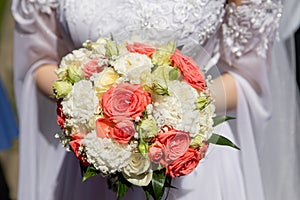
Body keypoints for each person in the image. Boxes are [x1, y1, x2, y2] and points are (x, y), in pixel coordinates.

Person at [11, 0, 298, 200]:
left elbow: (248, 78)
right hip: (94, 161)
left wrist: (175, 109)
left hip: (193, 168)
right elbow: (39, 62)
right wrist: (93, 102)